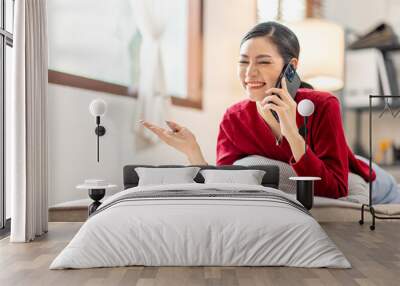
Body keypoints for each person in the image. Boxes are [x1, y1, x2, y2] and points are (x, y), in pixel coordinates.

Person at [140, 21, 400, 202]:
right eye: (243, 62)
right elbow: (225, 187)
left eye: (263, 62)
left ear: (291, 66)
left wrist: (292, 134)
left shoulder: (323, 105)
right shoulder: (234, 117)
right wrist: (192, 151)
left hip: (376, 184)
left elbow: (335, 189)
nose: (249, 72)